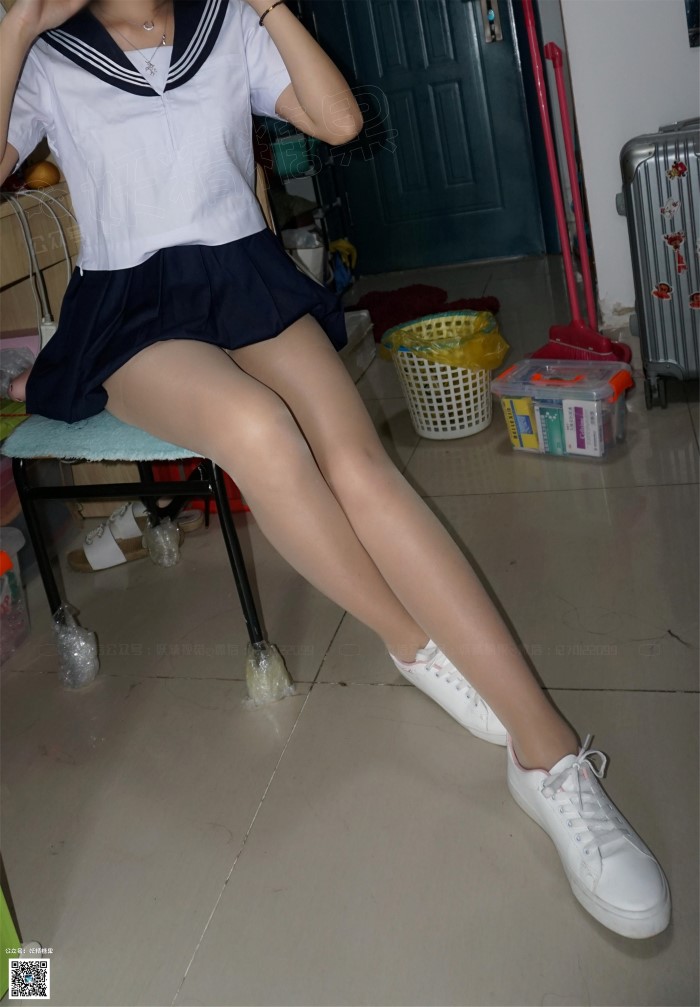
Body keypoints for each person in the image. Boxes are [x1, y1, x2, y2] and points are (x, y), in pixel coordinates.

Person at [0, 0, 670, 940]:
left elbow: (340, 121)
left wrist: (268, 3)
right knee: (259, 428)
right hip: (132, 311)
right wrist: (18, 21)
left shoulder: (226, 24)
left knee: (360, 465)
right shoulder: (49, 56)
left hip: (242, 276)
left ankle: (549, 756)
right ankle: (413, 641)